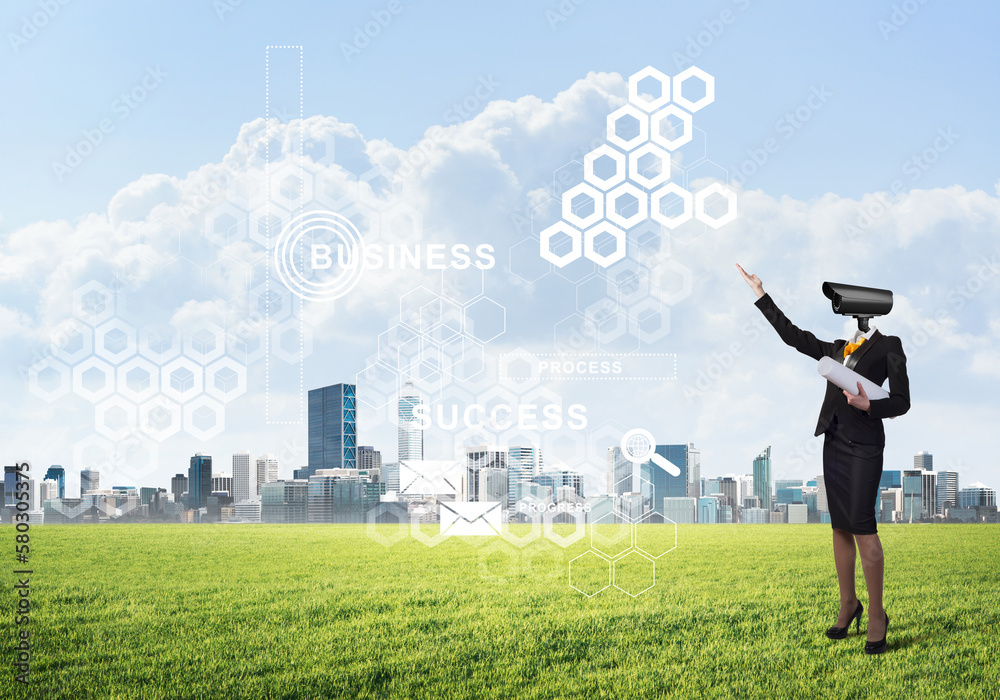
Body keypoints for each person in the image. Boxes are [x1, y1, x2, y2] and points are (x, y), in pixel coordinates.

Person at [736, 263, 910, 654]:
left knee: (864, 530)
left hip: (864, 448)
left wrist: (869, 405)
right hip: (833, 443)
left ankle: (878, 615)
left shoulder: (890, 346)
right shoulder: (836, 348)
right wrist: (761, 295)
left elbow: (902, 401)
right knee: (840, 528)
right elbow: (793, 337)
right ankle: (849, 603)